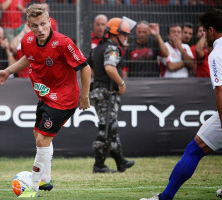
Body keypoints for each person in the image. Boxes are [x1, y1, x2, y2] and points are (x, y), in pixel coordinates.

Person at [0, 4, 91, 197]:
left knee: (43, 139)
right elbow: (28, 58)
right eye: (35, 25)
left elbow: (84, 67)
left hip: (64, 98)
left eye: (43, 24)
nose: (40, 29)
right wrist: (8, 70)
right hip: (45, 95)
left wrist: (84, 96)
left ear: (50, 20)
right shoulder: (28, 41)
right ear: (28, 25)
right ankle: (45, 179)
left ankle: (33, 187)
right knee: (37, 134)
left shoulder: (63, 42)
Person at [140, 7, 222, 200]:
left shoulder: (217, 54)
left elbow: (220, 90)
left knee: (194, 149)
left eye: (203, 31)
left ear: (211, 30)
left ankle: (165, 197)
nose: (203, 35)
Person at [90, 17, 135, 173]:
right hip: (107, 93)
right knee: (108, 128)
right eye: (124, 34)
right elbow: (110, 68)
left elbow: (88, 67)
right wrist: (121, 84)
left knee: (111, 127)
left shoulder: (97, 48)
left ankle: (120, 162)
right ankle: (99, 165)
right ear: (115, 34)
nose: (126, 37)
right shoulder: (112, 48)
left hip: (96, 91)